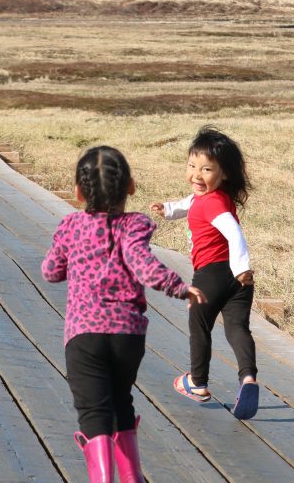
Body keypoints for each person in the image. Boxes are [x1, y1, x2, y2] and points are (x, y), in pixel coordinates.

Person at [43, 146, 206, 483]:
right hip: (127, 336)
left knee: (94, 413)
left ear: (77, 191)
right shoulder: (133, 227)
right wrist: (179, 286)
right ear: (130, 186)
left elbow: (50, 271)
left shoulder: (71, 227)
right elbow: (144, 265)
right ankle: (132, 478)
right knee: (120, 402)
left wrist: (69, 260)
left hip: (84, 335)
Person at [151, 126, 259, 421]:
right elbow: (189, 203)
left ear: (223, 174)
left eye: (206, 169)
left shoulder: (214, 205)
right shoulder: (214, 196)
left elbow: (234, 234)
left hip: (213, 274)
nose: (196, 175)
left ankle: (198, 383)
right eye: (191, 166)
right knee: (237, 328)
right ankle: (248, 378)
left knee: (199, 324)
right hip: (238, 283)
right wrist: (169, 209)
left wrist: (242, 266)